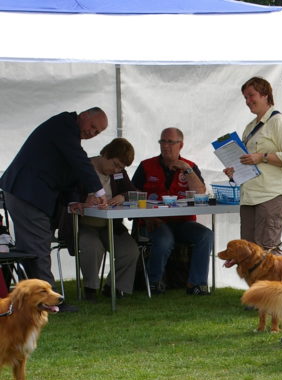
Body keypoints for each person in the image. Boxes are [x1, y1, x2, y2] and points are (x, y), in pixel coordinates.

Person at [0, 107, 109, 288]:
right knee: (38, 248)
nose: (92, 133)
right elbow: (78, 161)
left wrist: (73, 200)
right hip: (27, 193)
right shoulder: (64, 125)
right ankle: (47, 300)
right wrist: (99, 191)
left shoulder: (66, 133)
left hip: (26, 193)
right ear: (83, 116)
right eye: (93, 126)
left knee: (34, 248)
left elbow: (68, 170)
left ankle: (34, 296)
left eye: (97, 132)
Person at [131, 128, 213, 295]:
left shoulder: (189, 166)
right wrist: (146, 217)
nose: (165, 146)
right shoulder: (146, 166)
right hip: (154, 221)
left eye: (170, 142)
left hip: (183, 222)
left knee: (206, 235)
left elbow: (200, 193)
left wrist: (186, 169)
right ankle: (154, 283)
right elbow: (132, 196)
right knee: (164, 239)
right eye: (162, 141)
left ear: (180, 145)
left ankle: (196, 284)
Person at [225, 76, 282, 253]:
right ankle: (257, 282)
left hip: (271, 194)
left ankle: (271, 282)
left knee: (267, 250)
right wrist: (235, 171)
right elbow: (249, 160)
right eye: (245, 98)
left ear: (265, 94)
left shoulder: (279, 122)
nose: (248, 101)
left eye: (251, 95)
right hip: (250, 195)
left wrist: (262, 156)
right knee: (248, 252)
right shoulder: (250, 126)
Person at [73, 138, 138, 299]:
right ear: (106, 153)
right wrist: (85, 200)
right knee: (92, 246)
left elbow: (132, 192)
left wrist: (122, 197)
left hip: (111, 225)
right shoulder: (83, 168)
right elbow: (68, 194)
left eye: (121, 167)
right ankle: (90, 288)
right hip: (84, 224)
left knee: (130, 251)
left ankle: (114, 287)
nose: (116, 170)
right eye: (115, 164)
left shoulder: (119, 174)